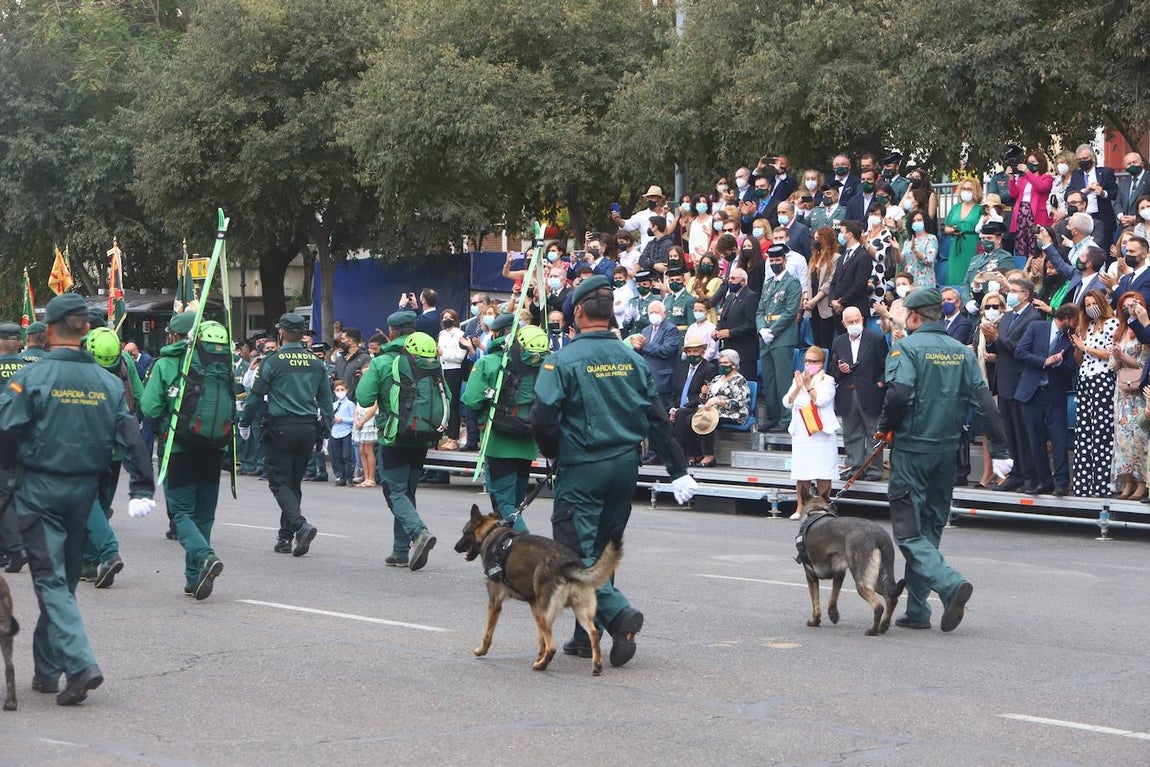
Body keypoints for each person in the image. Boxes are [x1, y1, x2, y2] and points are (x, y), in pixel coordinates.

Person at [532, 275, 697, 667]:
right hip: (625, 466)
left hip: (583, 464)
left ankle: (619, 614)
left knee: (574, 553)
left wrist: (555, 455)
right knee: (605, 548)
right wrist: (677, 469)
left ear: (577, 313)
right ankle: (583, 631)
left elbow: (542, 418)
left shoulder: (563, 359)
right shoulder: (634, 359)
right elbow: (657, 418)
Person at [0, 293, 156, 705]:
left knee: (50, 582)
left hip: (39, 491)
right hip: (83, 493)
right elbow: (131, 435)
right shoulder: (107, 382)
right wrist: (142, 487)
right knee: (63, 584)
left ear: (48, 331)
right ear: (85, 330)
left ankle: (82, 664)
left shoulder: (30, 379)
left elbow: (5, 431)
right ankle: (48, 673)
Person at [877, 287, 1011, 633]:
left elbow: (900, 393)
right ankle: (918, 610)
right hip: (947, 451)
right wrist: (1001, 450)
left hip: (912, 449)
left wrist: (885, 428)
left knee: (908, 531)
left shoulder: (905, 348)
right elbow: (986, 403)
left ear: (915, 316)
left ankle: (949, 584)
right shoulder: (961, 351)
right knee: (930, 528)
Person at [140, 318, 233, 599]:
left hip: (178, 448)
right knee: (204, 515)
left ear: (177, 336)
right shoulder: (221, 365)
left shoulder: (167, 364)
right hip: (214, 447)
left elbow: (149, 406)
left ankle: (204, 557)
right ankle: (194, 579)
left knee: (181, 513)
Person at [357, 312, 448, 571]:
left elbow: (364, 398)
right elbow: (446, 394)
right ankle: (399, 551)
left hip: (394, 436)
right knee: (407, 492)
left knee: (395, 491)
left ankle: (419, 532)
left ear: (392, 333)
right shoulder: (429, 360)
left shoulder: (383, 361)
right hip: (423, 436)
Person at [237, 312, 332, 556]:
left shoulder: (272, 361)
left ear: (281, 333)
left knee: (278, 481)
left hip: (281, 427)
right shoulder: (316, 362)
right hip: (308, 428)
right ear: (302, 334)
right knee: (293, 482)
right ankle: (285, 537)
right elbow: (326, 400)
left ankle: (300, 526)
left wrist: (244, 422)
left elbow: (255, 396)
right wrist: (328, 431)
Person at [462, 324, 548, 532]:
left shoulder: (491, 363)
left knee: (505, 504)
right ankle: (508, 556)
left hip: (498, 442)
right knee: (515, 505)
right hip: (528, 442)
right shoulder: (547, 366)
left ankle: (525, 544)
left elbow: (471, 400)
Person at [986, 277, 1044, 493]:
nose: (1009, 293)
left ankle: (1030, 475)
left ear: (1025, 294)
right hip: (1005, 380)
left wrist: (998, 338)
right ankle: (1016, 472)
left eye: (1013, 290)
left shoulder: (1033, 318)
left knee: (1023, 432)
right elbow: (1000, 345)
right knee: (1009, 431)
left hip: (1022, 381)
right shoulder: (1008, 316)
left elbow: (1022, 349)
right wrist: (992, 340)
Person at [1015, 304, 1079, 496]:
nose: (1076, 325)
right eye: (1075, 321)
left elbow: (1071, 370)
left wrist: (1058, 363)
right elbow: (1020, 352)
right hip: (1031, 392)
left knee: (1059, 439)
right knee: (1035, 439)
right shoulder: (1037, 327)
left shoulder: (1070, 339)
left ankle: (1061, 482)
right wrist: (1045, 361)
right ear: (1066, 318)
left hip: (1054, 393)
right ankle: (1044, 480)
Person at [1066, 290, 1118, 497]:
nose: (1090, 307)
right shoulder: (1086, 327)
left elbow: (1110, 354)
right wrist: (1078, 347)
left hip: (1103, 379)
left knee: (1102, 431)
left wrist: (1085, 346)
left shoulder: (1111, 323)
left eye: (1093, 303)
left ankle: (1102, 484)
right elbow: (1081, 359)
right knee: (1084, 432)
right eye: (1086, 304)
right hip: (1085, 378)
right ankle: (1083, 484)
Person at [830, 307, 888, 482]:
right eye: (850, 322)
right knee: (851, 433)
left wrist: (881, 382)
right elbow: (832, 369)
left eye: (857, 321)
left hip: (870, 392)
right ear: (844, 323)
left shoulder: (876, 339)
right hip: (848, 393)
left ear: (862, 319)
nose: (854, 324)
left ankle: (874, 469)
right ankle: (855, 468)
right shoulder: (839, 342)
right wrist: (840, 369)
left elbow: (886, 364)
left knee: (873, 433)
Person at [784, 346, 839, 519]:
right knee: (802, 472)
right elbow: (787, 402)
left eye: (813, 361)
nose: (809, 364)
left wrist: (808, 387)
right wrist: (798, 386)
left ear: (821, 363)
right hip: (802, 431)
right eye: (807, 360)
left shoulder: (828, 380)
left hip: (821, 432)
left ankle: (824, 506)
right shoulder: (798, 379)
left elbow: (821, 401)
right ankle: (800, 508)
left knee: (823, 472)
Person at [757, 245, 803, 431]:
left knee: (782, 379)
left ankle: (785, 419)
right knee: (768, 380)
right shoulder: (768, 284)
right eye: (772, 260)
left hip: (782, 336)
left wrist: (772, 331)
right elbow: (760, 310)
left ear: (784, 261)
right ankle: (772, 416)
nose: (775, 263)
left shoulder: (792, 283)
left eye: (778, 260)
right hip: (766, 336)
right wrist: (762, 329)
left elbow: (791, 311)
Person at [1110, 292, 1149, 500]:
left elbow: (1144, 364)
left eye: (1132, 306)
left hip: (1138, 394)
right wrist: (1117, 357)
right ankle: (1127, 482)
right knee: (1122, 439)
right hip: (1122, 393)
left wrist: (1124, 357)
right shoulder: (1120, 331)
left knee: (1139, 438)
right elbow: (1112, 365)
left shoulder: (1143, 330)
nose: (1128, 310)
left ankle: (1142, 483)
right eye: (1124, 307)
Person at [0, 322, 30, 572]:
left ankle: (14, 548)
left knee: (3, 494)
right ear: (18, 342)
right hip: (26, 435)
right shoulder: (29, 369)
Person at [668, 340, 719, 465]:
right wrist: (672, 408)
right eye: (689, 351)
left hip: (697, 406)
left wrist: (682, 408)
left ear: (702, 351)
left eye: (695, 351)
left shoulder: (709, 369)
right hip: (679, 407)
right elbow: (674, 392)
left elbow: (705, 395)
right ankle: (658, 454)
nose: (692, 354)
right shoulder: (682, 367)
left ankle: (681, 455)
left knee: (682, 415)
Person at [630, 301, 682, 408]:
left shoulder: (671, 329)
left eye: (656, 312)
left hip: (663, 379)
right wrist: (638, 348)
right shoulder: (645, 330)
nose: (654, 315)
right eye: (651, 312)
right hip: (647, 378)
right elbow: (644, 352)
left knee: (662, 411)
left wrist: (645, 345)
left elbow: (666, 350)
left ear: (664, 313)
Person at [1069, 144, 1120, 253]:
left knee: (1104, 252)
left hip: (1102, 219)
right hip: (1082, 218)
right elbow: (1068, 194)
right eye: (1080, 159)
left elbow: (1115, 192)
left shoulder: (1105, 172)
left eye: (1085, 158)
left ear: (1092, 158)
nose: (1083, 161)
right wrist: (1085, 191)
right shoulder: (1076, 176)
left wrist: (1103, 193)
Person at [713, 267, 759, 381]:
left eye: (733, 279)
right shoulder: (730, 297)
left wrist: (730, 333)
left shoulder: (751, 296)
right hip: (730, 350)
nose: (730, 281)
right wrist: (717, 330)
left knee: (744, 383)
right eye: (729, 278)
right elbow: (723, 318)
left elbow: (751, 324)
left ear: (743, 281)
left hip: (745, 351)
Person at [943, 177, 984, 287]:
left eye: (969, 189)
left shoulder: (980, 209)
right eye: (964, 188)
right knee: (954, 273)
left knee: (970, 270)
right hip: (956, 243)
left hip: (972, 243)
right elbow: (946, 227)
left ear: (975, 191)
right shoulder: (955, 208)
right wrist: (952, 230)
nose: (966, 191)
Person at [829, 220, 871, 324]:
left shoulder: (863, 256)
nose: (840, 235)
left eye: (842, 232)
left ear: (849, 234)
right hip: (839, 311)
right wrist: (832, 301)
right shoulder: (842, 257)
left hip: (855, 309)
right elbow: (834, 282)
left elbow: (859, 284)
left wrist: (841, 301)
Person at [436, 309, 467, 450]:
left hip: (454, 370)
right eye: (444, 317)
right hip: (442, 370)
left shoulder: (460, 334)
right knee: (444, 403)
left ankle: (453, 437)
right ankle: (446, 434)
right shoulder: (442, 334)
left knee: (453, 403)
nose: (446, 319)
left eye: (449, 317)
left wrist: (444, 354)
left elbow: (460, 356)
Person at [805, 227, 840, 348]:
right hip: (812, 307)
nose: (816, 241)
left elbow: (830, 282)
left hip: (824, 305)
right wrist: (806, 299)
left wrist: (815, 300)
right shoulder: (814, 258)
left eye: (819, 239)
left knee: (826, 343)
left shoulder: (836, 258)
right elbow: (808, 280)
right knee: (816, 342)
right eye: (814, 238)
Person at [329, 379, 356, 486]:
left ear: (347, 390)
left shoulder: (350, 404)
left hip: (346, 432)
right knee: (337, 456)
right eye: (337, 390)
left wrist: (343, 419)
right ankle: (340, 476)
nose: (340, 392)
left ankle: (349, 476)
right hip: (335, 432)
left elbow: (354, 419)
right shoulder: (334, 405)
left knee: (346, 455)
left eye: (342, 389)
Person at [901, 209, 937, 288]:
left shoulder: (931, 238)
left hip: (925, 283)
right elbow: (902, 261)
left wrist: (916, 252)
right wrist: (896, 250)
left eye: (919, 220)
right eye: (914, 221)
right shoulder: (908, 241)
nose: (916, 222)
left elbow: (929, 260)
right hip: (909, 284)